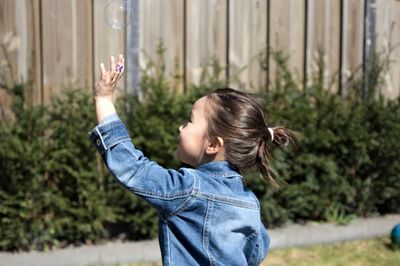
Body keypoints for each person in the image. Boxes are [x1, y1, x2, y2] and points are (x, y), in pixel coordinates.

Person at [89, 54, 297, 265]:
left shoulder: (189, 190)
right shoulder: (249, 201)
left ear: (213, 145)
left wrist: (104, 100)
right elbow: (257, 251)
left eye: (189, 121)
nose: (181, 127)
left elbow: (134, 169)